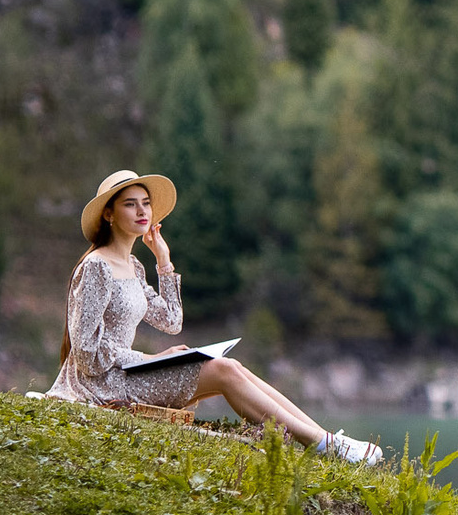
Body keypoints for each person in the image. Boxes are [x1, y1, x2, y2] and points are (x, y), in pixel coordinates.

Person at [47, 168, 384, 465]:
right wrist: (150, 359)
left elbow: (171, 321)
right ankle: (323, 445)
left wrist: (163, 262)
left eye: (146, 203)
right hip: (103, 385)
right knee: (224, 370)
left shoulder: (133, 266)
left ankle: (327, 439)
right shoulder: (97, 267)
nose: (142, 211)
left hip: (129, 375)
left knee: (232, 366)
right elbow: (86, 355)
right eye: (130, 204)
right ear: (108, 214)